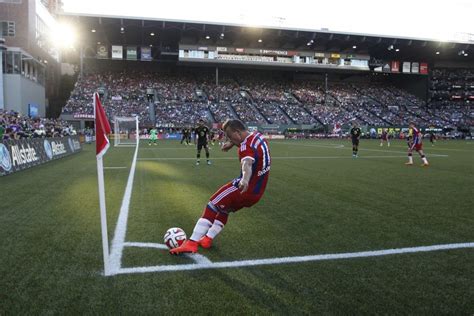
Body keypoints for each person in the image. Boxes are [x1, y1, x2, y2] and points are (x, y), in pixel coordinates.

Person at [170, 119, 271, 254]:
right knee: (224, 209)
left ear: (237, 133)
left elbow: (246, 163)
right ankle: (207, 239)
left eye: (229, 136)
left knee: (212, 205)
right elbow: (247, 144)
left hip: (242, 188)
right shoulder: (258, 137)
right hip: (257, 193)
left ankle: (192, 243)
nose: (229, 139)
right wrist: (231, 144)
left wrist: (245, 179)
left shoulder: (245, 148)